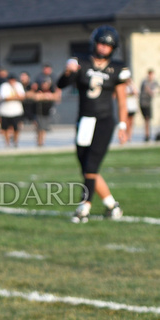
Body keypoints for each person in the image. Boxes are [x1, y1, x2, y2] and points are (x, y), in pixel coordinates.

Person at [57, 25, 130, 223]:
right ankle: (112, 206)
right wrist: (67, 72)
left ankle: (84, 207)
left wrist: (123, 125)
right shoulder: (81, 63)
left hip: (104, 121)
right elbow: (61, 85)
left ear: (113, 48)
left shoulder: (118, 69)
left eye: (108, 45)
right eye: (101, 43)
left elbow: (122, 100)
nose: (104, 48)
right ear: (94, 43)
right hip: (84, 120)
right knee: (87, 168)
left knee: (91, 165)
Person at [0, 73, 25, 147]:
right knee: (5, 128)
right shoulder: (4, 86)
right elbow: (5, 97)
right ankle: (7, 143)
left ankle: (15, 142)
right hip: (5, 111)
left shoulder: (18, 85)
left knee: (16, 128)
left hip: (16, 111)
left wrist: (14, 95)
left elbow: (22, 96)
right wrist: (15, 97)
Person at [34, 76, 61, 146]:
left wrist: (47, 96)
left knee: (44, 128)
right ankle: (39, 142)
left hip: (47, 111)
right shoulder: (38, 89)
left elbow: (57, 97)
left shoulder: (51, 89)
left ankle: (42, 141)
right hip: (39, 111)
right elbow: (36, 97)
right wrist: (45, 96)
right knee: (40, 127)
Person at [139, 69, 157, 142]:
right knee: (146, 119)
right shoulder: (145, 82)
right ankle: (147, 135)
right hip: (144, 103)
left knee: (148, 119)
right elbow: (149, 91)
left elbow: (156, 89)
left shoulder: (154, 82)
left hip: (149, 103)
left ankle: (148, 134)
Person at [124, 77, 138, 143]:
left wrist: (132, 85)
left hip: (132, 107)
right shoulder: (124, 88)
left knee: (131, 123)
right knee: (127, 123)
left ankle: (130, 136)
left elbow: (135, 93)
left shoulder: (132, 86)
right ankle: (126, 135)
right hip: (126, 107)